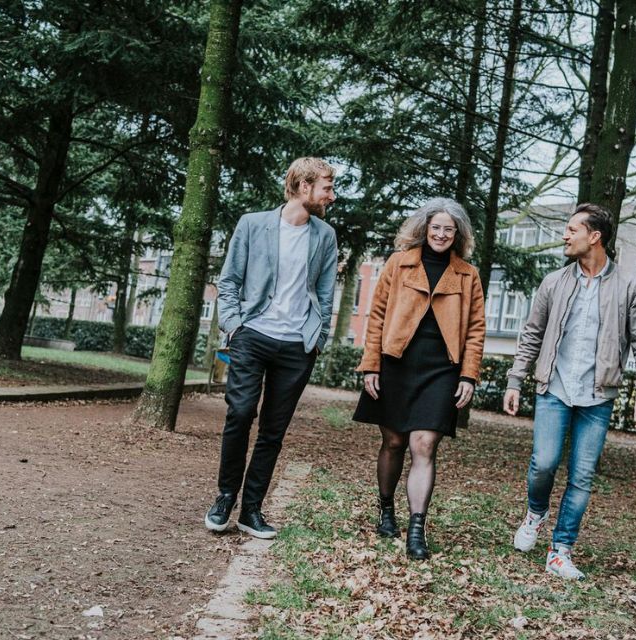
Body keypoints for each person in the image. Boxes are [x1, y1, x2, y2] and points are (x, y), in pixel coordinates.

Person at [503, 203, 636, 579]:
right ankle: (535, 512)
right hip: (553, 388)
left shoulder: (630, 287)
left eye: (572, 229)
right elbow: (532, 335)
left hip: (597, 396)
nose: (565, 235)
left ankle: (560, 551)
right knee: (544, 463)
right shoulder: (554, 282)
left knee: (582, 476)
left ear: (595, 236)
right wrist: (515, 380)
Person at [204, 157, 338, 538]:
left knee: (273, 431)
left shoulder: (325, 236)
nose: (331, 195)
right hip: (252, 335)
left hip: (298, 345)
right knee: (241, 413)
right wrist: (233, 326)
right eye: (326, 187)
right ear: (303, 187)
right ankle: (225, 496)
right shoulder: (253, 224)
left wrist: (318, 338)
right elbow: (229, 280)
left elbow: (326, 294)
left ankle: (252, 510)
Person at [353, 198, 486, 560]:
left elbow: (475, 329)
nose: (441, 234)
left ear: (458, 234)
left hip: (441, 368)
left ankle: (416, 529)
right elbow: (376, 316)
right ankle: (386, 510)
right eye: (436, 227)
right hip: (397, 361)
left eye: (449, 229)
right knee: (394, 442)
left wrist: (469, 375)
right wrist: (372, 365)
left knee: (424, 444)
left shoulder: (467, 274)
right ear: (425, 229)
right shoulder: (399, 264)